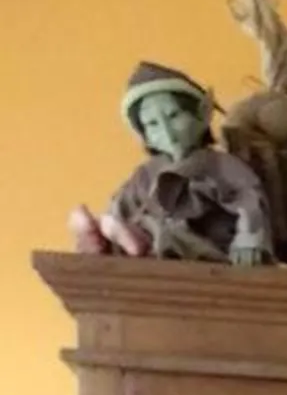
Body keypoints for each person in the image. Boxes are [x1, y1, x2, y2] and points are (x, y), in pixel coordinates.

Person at [73, 62, 273, 265]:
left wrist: (249, 238)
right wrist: (113, 219)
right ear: (145, 136)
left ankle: (134, 242)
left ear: (202, 114)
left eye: (174, 116)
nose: (167, 132)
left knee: (167, 233)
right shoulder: (147, 173)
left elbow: (249, 199)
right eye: (153, 124)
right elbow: (126, 202)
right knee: (136, 223)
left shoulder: (219, 164)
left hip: (209, 245)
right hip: (154, 247)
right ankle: (102, 237)